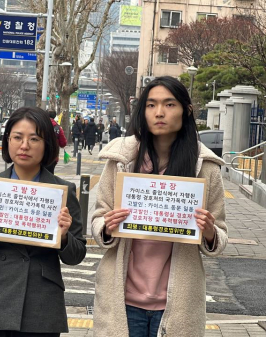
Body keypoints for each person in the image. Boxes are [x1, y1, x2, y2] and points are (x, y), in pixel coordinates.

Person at [91, 76, 228, 337]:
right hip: (124, 299)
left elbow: (219, 235)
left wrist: (209, 231)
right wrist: (107, 226)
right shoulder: (121, 160)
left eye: (169, 104)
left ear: (186, 111)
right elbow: (98, 218)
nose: (160, 113)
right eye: (151, 105)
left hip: (177, 303)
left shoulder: (205, 167)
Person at [0, 107, 87, 336]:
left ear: (47, 144)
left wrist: (66, 236)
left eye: (34, 139)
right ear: (7, 141)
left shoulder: (63, 191)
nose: (24, 145)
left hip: (41, 305)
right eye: (17, 137)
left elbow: (76, 255)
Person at [46, 110, 66, 174]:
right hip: (53, 156)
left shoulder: (41, 125)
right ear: (54, 117)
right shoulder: (58, 128)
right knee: (50, 175)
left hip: (40, 155)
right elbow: (63, 143)